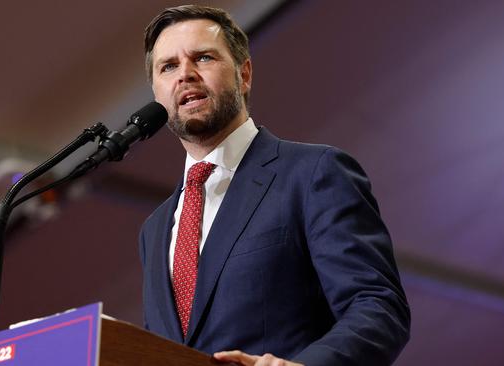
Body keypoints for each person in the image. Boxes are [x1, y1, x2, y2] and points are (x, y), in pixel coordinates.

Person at [138, 5, 410, 365]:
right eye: (168, 66)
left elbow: (377, 307)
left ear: (244, 74)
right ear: (157, 91)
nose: (185, 75)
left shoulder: (313, 173)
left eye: (203, 58)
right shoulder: (155, 229)